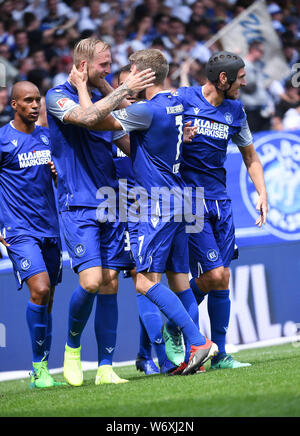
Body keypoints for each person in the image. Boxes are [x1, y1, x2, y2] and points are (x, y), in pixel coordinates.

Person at [70, 48, 219, 376]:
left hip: (156, 204)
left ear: (145, 75)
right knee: (180, 281)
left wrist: (83, 86)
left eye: (134, 71)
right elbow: (132, 108)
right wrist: (119, 90)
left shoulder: (147, 112)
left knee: (143, 283)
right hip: (182, 199)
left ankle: (198, 342)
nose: (129, 74)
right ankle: (187, 361)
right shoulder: (174, 102)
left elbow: (92, 118)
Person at [45, 37, 156, 386]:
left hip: (112, 200)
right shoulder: (57, 96)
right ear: (82, 66)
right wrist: (120, 87)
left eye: (111, 63)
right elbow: (89, 117)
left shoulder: (98, 92)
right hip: (78, 202)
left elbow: (122, 135)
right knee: (91, 281)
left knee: (109, 284)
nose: (108, 69)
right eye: (103, 65)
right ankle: (72, 347)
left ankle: (106, 367)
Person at [175, 51, 268, 369]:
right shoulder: (182, 99)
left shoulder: (235, 110)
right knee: (214, 274)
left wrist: (262, 193)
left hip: (221, 201)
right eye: (240, 77)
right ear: (224, 79)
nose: (245, 81)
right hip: (190, 200)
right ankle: (178, 321)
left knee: (223, 276)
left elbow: (250, 156)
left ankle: (221, 353)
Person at [111, 64, 176, 375]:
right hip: (117, 205)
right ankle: (142, 357)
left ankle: (147, 354)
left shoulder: (144, 120)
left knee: (148, 280)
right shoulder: (106, 123)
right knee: (137, 281)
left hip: (146, 205)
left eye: (133, 88)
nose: (130, 94)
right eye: (124, 89)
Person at [0, 81, 64, 388]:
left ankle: (42, 369)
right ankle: (39, 369)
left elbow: (60, 176)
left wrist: (56, 173)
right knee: (39, 289)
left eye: (38, 99)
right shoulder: (2, 139)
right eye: (28, 100)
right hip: (19, 229)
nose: (35, 105)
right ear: (14, 104)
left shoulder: (46, 136)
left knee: (48, 298)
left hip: (50, 228)